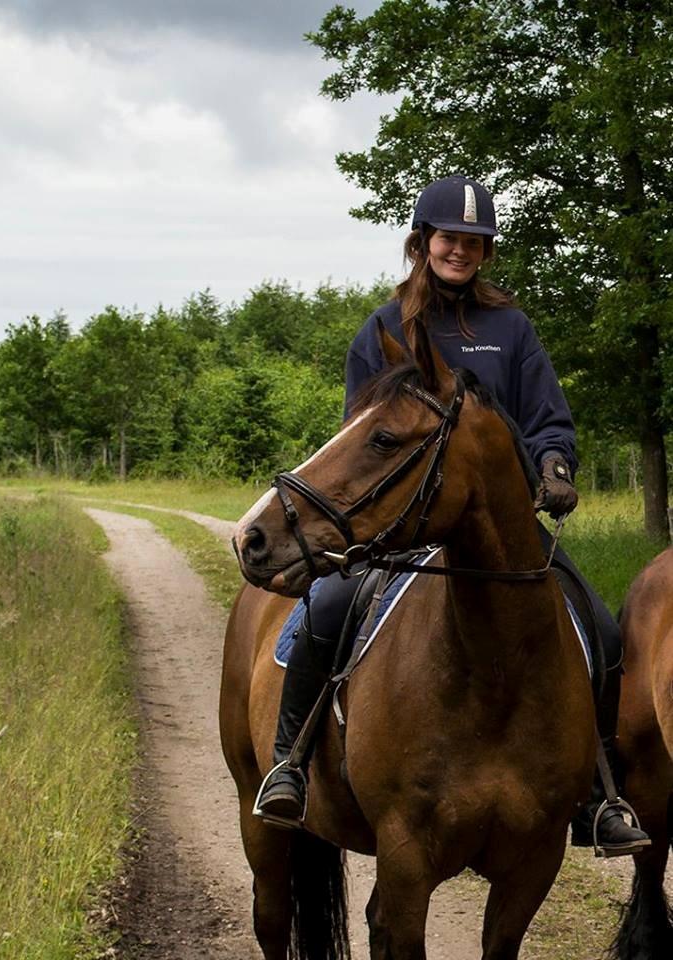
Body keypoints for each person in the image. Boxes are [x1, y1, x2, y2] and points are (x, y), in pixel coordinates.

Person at [254, 174, 650, 856]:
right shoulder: (385, 328)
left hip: (502, 533)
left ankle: (596, 795)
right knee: (320, 611)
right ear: (422, 242)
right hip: (402, 531)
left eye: (473, 241)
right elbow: (358, 435)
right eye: (448, 238)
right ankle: (289, 764)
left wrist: (555, 465)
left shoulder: (511, 329)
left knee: (604, 633)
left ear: (484, 252)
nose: (459, 251)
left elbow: (546, 415)